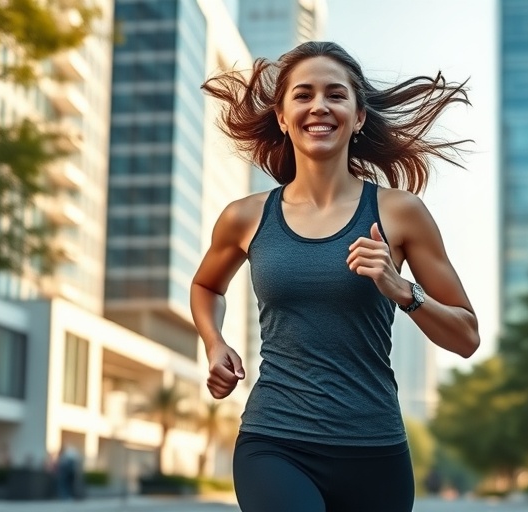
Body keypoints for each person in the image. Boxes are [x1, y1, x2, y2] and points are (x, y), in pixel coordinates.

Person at [191, 41, 480, 512]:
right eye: (303, 95)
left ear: (359, 116)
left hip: (374, 450)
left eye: (336, 94)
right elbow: (206, 286)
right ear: (282, 117)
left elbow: (466, 336)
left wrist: (402, 290)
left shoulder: (400, 212)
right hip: (275, 439)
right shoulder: (244, 217)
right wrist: (213, 341)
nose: (319, 106)